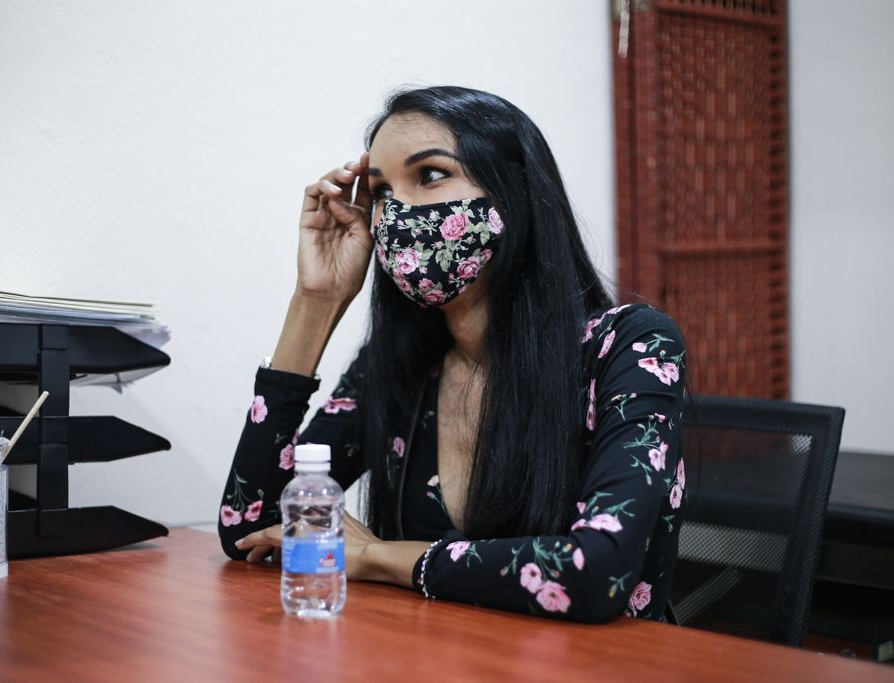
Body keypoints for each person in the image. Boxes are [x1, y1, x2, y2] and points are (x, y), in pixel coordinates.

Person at [219, 86, 687, 623]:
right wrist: (316, 301)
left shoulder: (631, 346)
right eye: (382, 194)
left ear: (516, 192)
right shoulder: (397, 366)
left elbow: (594, 572)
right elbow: (248, 525)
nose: (397, 214)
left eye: (431, 175)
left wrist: (380, 556)